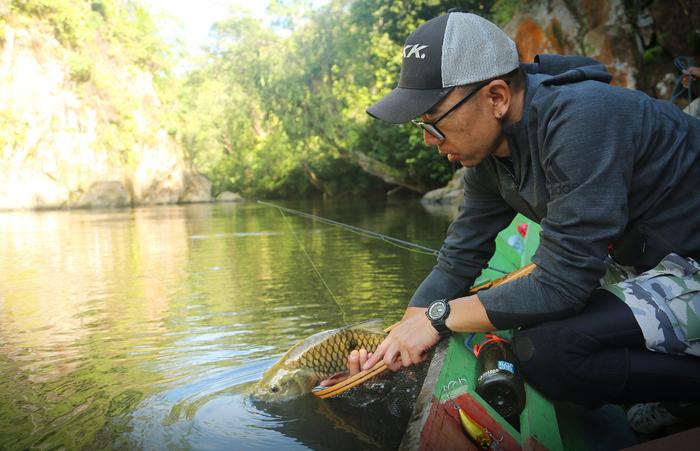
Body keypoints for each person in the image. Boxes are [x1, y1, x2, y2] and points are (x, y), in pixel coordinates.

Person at [322, 11, 700, 432]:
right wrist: (394, 341)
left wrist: (437, 317)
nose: (429, 140)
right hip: (654, 264)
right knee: (521, 326)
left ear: (497, 97)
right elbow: (457, 261)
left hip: (692, 264)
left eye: (433, 121)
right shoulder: (487, 161)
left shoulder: (581, 119)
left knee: (549, 352)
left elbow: (562, 284)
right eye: (421, 126)